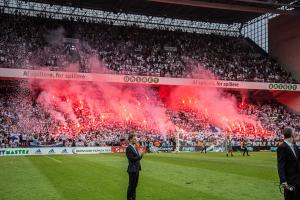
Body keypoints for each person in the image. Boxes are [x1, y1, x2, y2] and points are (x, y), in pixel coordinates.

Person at [277, 128, 300, 200]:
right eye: (294, 133)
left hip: (298, 179)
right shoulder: (282, 147)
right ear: (292, 135)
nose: (296, 134)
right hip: (290, 181)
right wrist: (283, 181)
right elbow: (281, 165)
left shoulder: (295, 146)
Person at [126, 134, 144, 200]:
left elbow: (137, 158)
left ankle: (133, 198)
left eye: (136, 139)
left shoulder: (134, 147)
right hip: (132, 169)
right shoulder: (128, 148)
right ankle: (129, 198)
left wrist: (141, 155)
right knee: (131, 186)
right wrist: (139, 155)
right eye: (134, 139)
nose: (136, 140)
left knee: (134, 186)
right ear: (130, 139)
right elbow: (132, 159)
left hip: (136, 169)